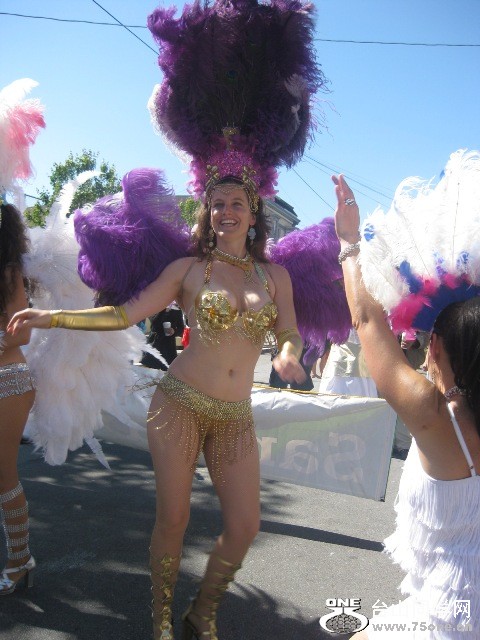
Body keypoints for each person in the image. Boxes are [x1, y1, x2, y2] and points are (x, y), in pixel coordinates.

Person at [7, 179, 307, 637]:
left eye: (237, 204)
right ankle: (162, 619)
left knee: (246, 525)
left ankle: (202, 610)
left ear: (253, 216)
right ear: (207, 213)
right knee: (174, 518)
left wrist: (288, 353)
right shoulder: (188, 269)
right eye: (217, 204)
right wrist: (52, 317)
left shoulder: (274, 277)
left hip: (234, 415)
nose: (226, 211)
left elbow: (289, 330)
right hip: (180, 404)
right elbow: (123, 314)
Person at [333, 170, 480, 638]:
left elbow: (367, 320)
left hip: (448, 616)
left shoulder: (433, 415)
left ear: (434, 346)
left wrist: (350, 242)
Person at [0, 203, 36, 595]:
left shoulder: (10, 273)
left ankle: (19, 559)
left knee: (3, 474)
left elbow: (21, 332)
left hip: (7, 381)